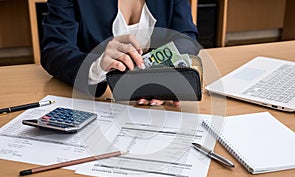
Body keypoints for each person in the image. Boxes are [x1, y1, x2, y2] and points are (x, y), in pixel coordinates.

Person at [41, 0, 200, 106]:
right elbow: (55, 49)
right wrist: (96, 67)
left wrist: (163, 79)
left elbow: (187, 38)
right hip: (99, 105)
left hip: (157, 111)